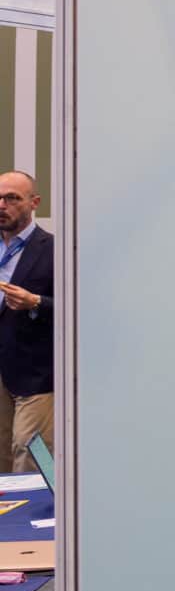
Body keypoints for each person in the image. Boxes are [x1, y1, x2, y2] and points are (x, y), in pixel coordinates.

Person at [0, 171, 54, 472]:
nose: (2, 204)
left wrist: (34, 302)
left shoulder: (54, 250)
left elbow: (77, 311)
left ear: (34, 203)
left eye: (12, 198)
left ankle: (39, 518)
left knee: (29, 455)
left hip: (35, 375)